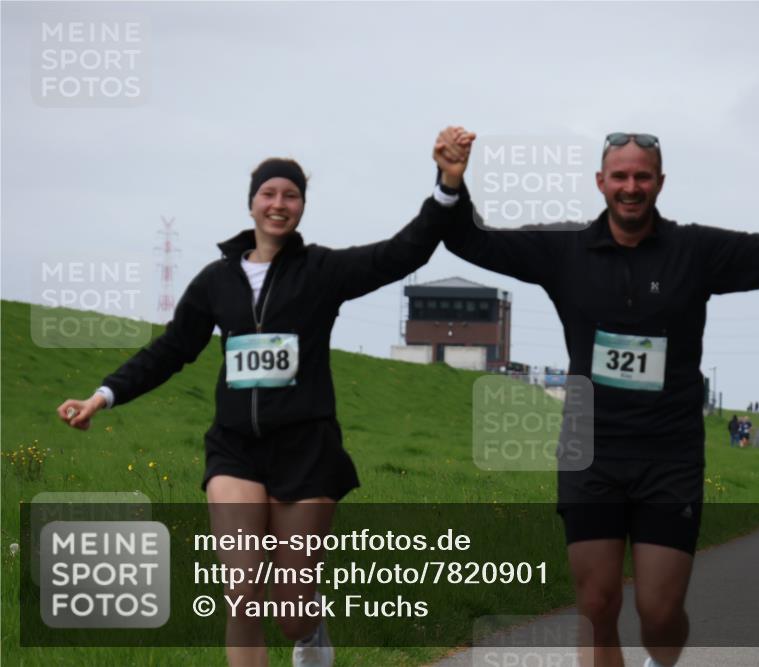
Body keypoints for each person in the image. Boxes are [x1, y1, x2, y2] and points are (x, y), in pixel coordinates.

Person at [433, 126, 759, 667]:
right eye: (620, 176)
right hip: (591, 452)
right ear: (600, 182)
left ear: (659, 182)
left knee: (659, 614)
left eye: (642, 176)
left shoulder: (695, 251)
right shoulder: (564, 250)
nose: (630, 187)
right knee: (597, 605)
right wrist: (451, 180)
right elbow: (470, 239)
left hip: (668, 454)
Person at [57, 153, 458, 667]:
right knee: (241, 591)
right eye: (269, 194)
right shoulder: (215, 281)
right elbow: (171, 350)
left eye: (290, 196)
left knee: (291, 608)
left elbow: (402, 253)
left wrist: (446, 186)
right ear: (251, 203)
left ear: (302, 208)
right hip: (236, 450)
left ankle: (310, 637)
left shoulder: (322, 271)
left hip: (306, 452)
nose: (278, 204)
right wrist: (102, 395)